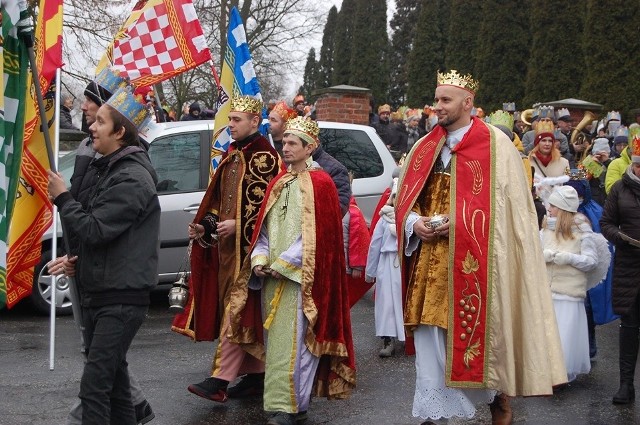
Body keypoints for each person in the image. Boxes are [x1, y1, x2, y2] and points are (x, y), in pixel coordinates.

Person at [395, 70, 566, 424]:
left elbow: (513, 213)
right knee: (430, 342)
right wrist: (415, 223)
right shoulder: (425, 145)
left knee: (474, 340)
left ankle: (496, 397)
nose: (437, 107)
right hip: (430, 267)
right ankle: (435, 415)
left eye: (446, 100)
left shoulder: (496, 145)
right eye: (436, 99)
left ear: (467, 102)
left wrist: (459, 222)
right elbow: (404, 202)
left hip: (477, 266)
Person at [227, 116, 356, 425]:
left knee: (298, 345)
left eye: (291, 143)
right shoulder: (279, 182)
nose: (284, 147)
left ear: (310, 147)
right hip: (271, 277)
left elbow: (317, 235)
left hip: (302, 280)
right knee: (278, 346)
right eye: (283, 141)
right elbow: (264, 231)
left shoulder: (322, 183)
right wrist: (259, 260)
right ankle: (280, 404)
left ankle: (292, 407)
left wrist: (284, 263)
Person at [47, 86, 160, 425]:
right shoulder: (108, 168)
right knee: (115, 387)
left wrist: (64, 198)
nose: (91, 127)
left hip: (120, 299)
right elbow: (104, 238)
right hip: (104, 292)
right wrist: (75, 260)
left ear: (120, 132)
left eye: (99, 121)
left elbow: (95, 228)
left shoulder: (132, 176)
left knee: (94, 387)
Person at [171, 95, 281, 402]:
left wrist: (237, 224)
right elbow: (219, 201)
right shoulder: (234, 154)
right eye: (230, 119)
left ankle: (219, 380)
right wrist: (205, 226)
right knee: (244, 316)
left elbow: (267, 208)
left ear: (254, 122)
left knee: (237, 313)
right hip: (228, 253)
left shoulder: (265, 157)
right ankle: (257, 376)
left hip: (252, 252)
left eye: (236, 120)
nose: (229, 125)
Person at [541, 186, 607, 382]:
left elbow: (591, 261)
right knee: (547, 335)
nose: (549, 209)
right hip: (547, 290)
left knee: (563, 338)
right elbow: (534, 250)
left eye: (553, 206)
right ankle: (546, 373)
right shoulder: (545, 228)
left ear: (562, 209)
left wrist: (566, 258)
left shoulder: (582, 232)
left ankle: (560, 375)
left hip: (568, 293)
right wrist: (542, 255)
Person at [600, 140, 640, 405]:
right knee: (629, 327)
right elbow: (606, 222)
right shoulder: (619, 188)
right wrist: (621, 238)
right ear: (634, 165)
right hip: (630, 264)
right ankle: (626, 385)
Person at [365, 178, 404, 357]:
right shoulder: (384, 218)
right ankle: (388, 340)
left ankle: (410, 339)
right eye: (394, 197)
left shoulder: (410, 218)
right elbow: (375, 243)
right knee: (386, 303)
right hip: (387, 263)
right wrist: (371, 270)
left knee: (404, 301)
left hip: (404, 262)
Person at [605, 124, 637, 193]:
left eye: (624, 145)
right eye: (619, 145)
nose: (622, 147)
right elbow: (610, 190)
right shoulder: (615, 163)